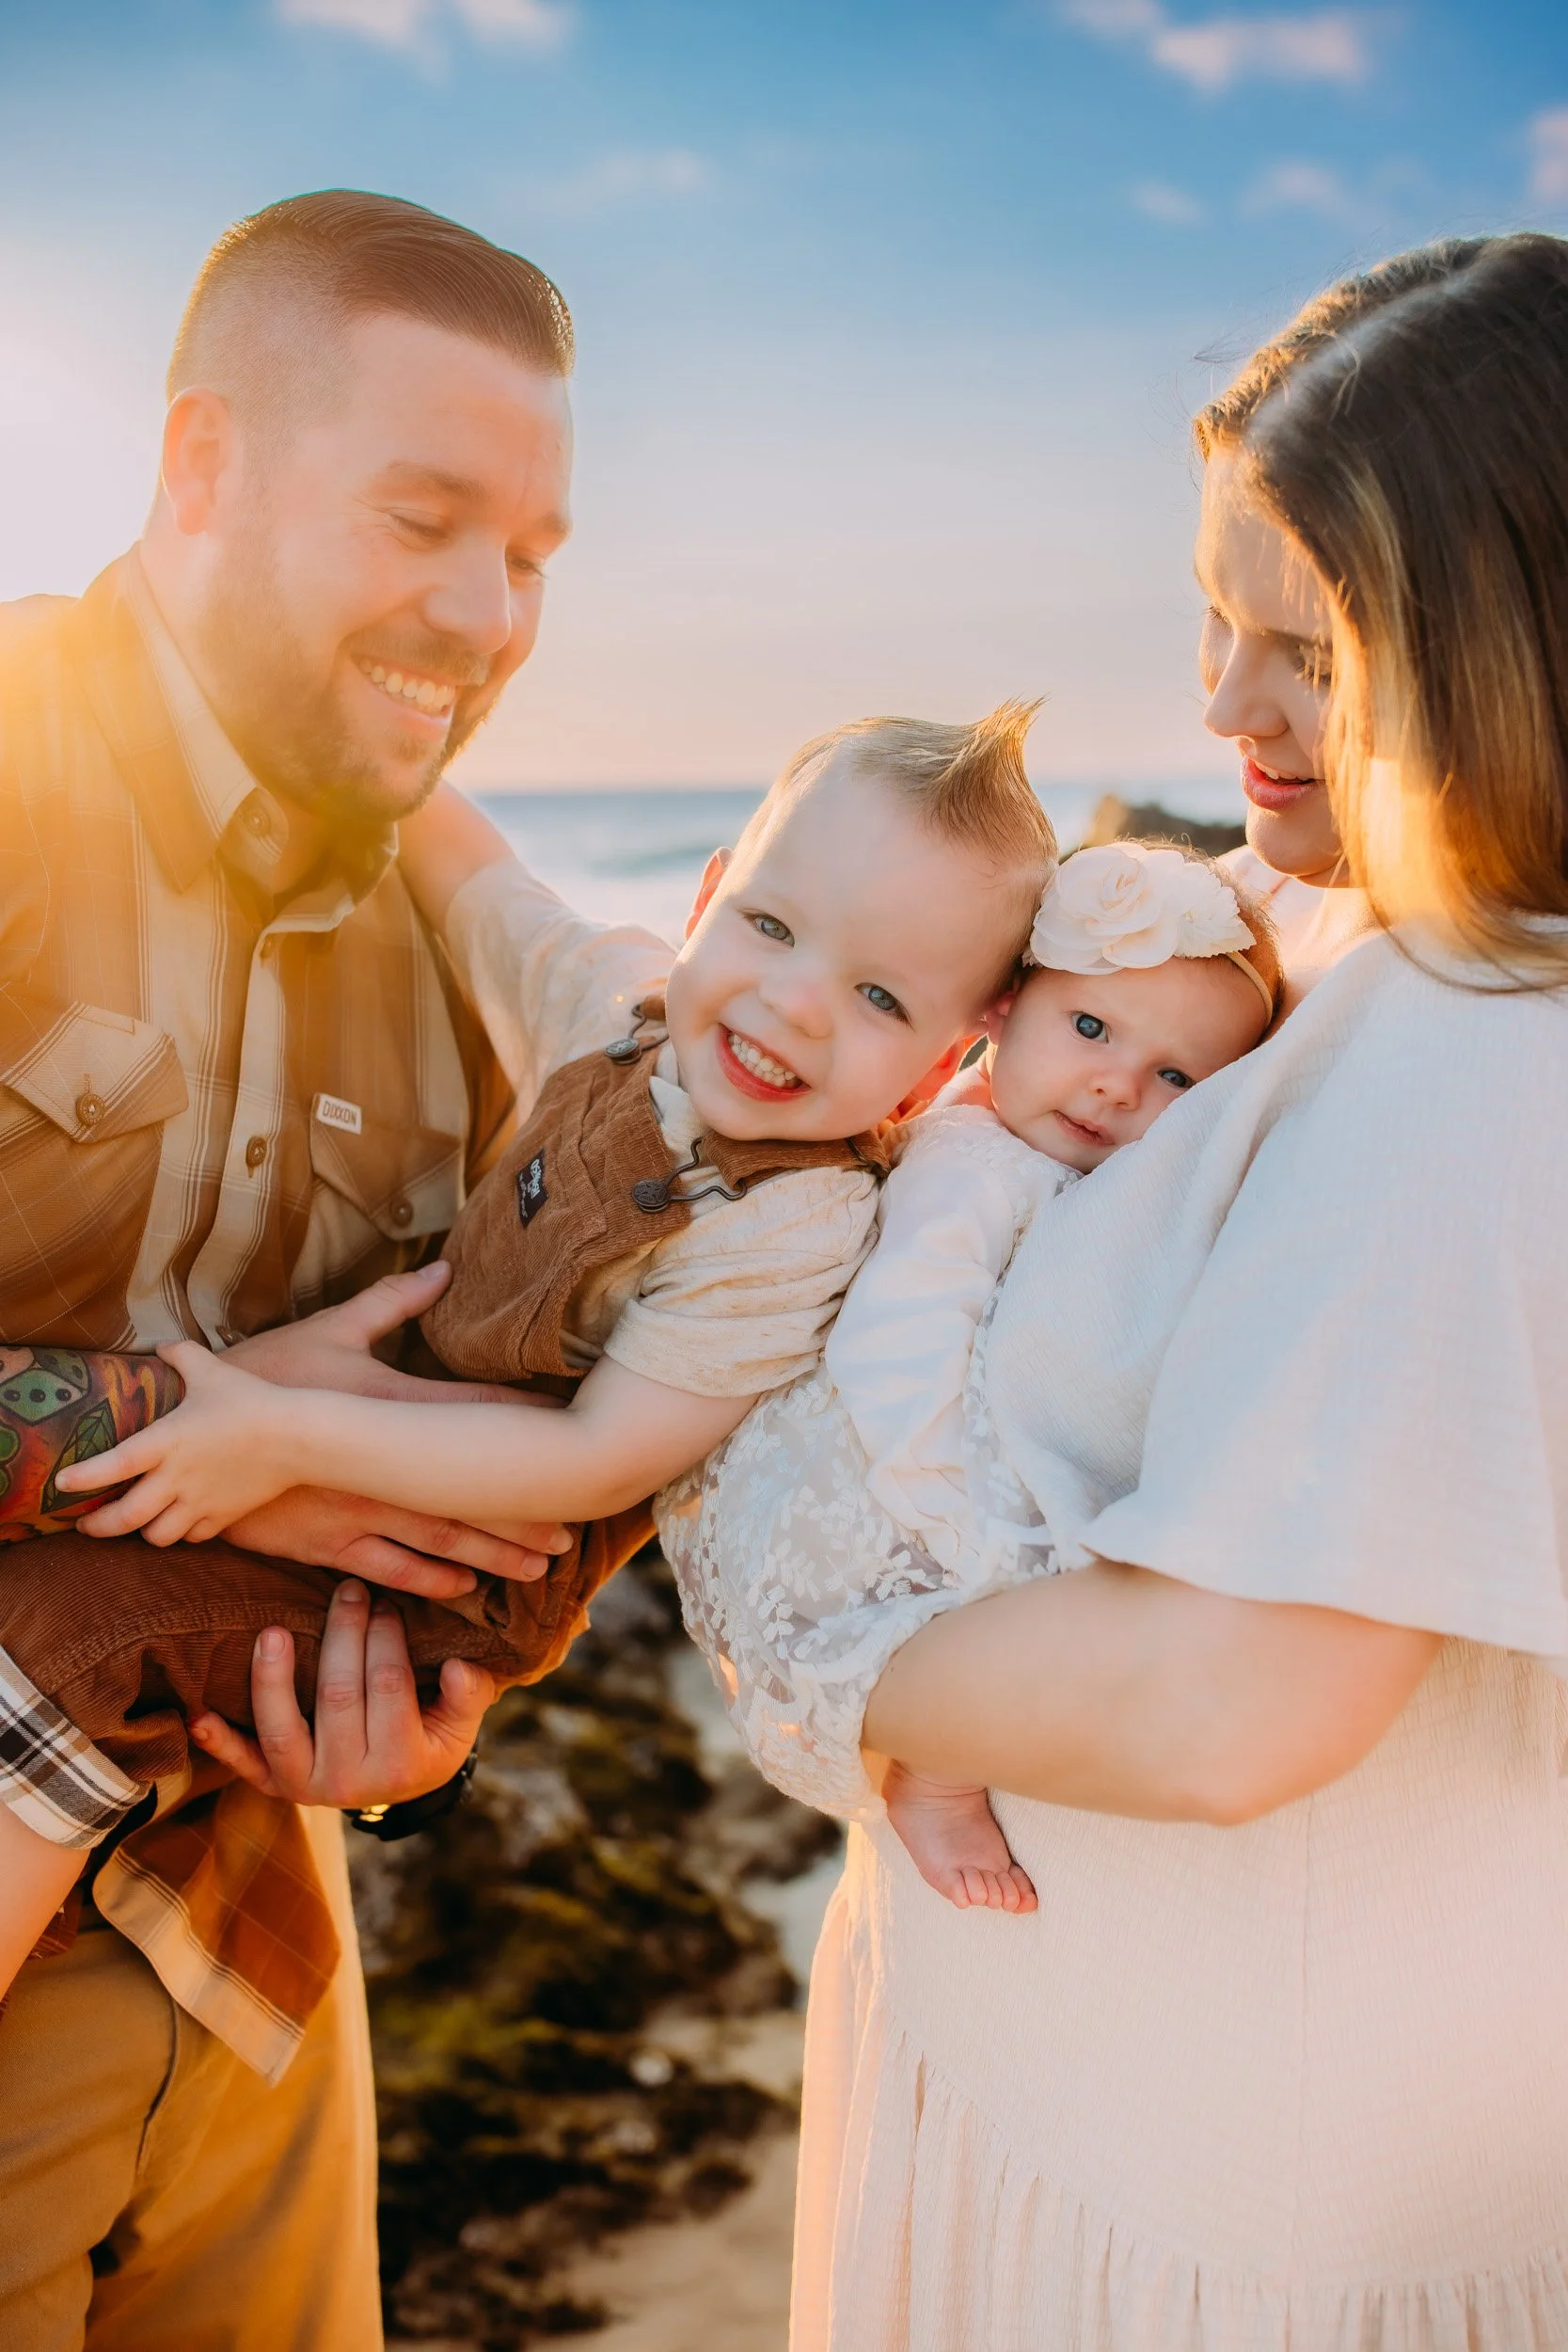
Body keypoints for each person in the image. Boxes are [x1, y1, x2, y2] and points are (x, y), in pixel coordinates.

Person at [663, 232, 1568, 2348]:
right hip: (1108, 2101)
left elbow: (1220, 1695)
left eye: (1303, 650)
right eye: (1208, 614)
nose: (1216, 704)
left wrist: (809, 1659)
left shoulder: (1471, 1048)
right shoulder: (1312, 937)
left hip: (1208, 2206)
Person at [0, 702, 1054, 1987]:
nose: (793, 1005)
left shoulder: (798, 1218)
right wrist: (343, 742)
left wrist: (271, 1434)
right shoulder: (620, 1012)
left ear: (944, 1058)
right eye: (771, 927)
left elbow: (592, 1463)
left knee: (60, 1649)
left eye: (878, 994)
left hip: (448, 1572)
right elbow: (471, 878)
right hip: (349, 1450)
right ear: (708, 895)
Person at [0, 188, 585, 2349]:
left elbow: (492, 1428)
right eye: (423, 515)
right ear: (199, 466)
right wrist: (194, 1443)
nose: (486, 614)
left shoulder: (454, 929)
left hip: (258, 1983)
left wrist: (412, 1702)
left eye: (530, 555)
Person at [822, 839, 1279, 1911]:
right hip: (922, 1465)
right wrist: (956, 1520)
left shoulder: (1038, 1153)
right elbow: (895, 1335)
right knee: (1034, 1621)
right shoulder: (969, 1168)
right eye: (1088, 1028)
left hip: (958, 1443)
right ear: (1000, 1006)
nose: (1117, 1082)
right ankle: (934, 1778)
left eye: (1175, 1077)